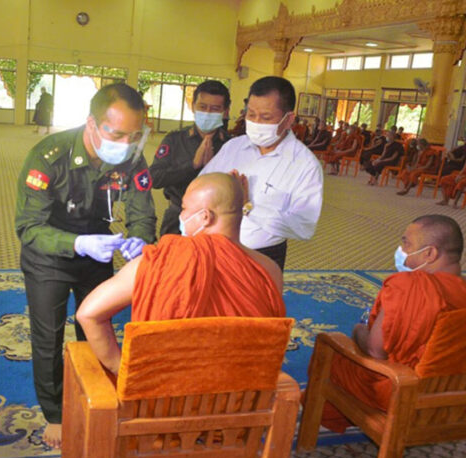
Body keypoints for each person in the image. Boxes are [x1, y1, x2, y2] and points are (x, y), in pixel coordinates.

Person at [14, 83, 156, 449]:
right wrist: (76, 243)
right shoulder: (50, 156)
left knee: (95, 329)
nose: (125, 144)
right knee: (48, 337)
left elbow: (142, 213)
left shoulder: (132, 158)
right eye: (117, 134)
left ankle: (96, 398)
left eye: (134, 136)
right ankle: (55, 414)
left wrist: (141, 242)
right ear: (92, 123)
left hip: (98, 252)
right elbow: (29, 228)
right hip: (49, 255)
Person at [76, 173, 285, 375]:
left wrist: (120, 369)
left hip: (163, 392)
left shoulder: (157, 263)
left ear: (205, 217)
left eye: (184, 209)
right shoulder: (268, 270)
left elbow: (88, 314)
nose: (181, 216)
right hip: (242, 392)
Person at [307, 215, 466, 433]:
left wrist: (358, 331)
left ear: (430, 254)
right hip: (462, 393)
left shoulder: (410, 286)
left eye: (406, 243)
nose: (401, 250)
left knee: (331, 352)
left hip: (405, 392)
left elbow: (376, 351)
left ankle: (316, 422)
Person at [200, 76, 323, 271]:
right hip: (214, 247)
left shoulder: (304, 165)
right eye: (251, 114)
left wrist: (248, 206)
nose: (256, 122)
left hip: (262, 256)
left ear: (288, 119)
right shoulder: (233, 147)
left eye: (266, 118)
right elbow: (201, 186)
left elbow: (304, 226)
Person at [151, 80, 231, 237]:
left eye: (215, 109)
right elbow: (154, 178)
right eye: (202, 107)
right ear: (193, 106)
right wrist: (192, 165)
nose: (207, 113)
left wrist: (212, 169)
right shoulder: (175, 139)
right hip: (177, 217)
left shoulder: (231, 145)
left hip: (217, 222)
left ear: (225, 111)